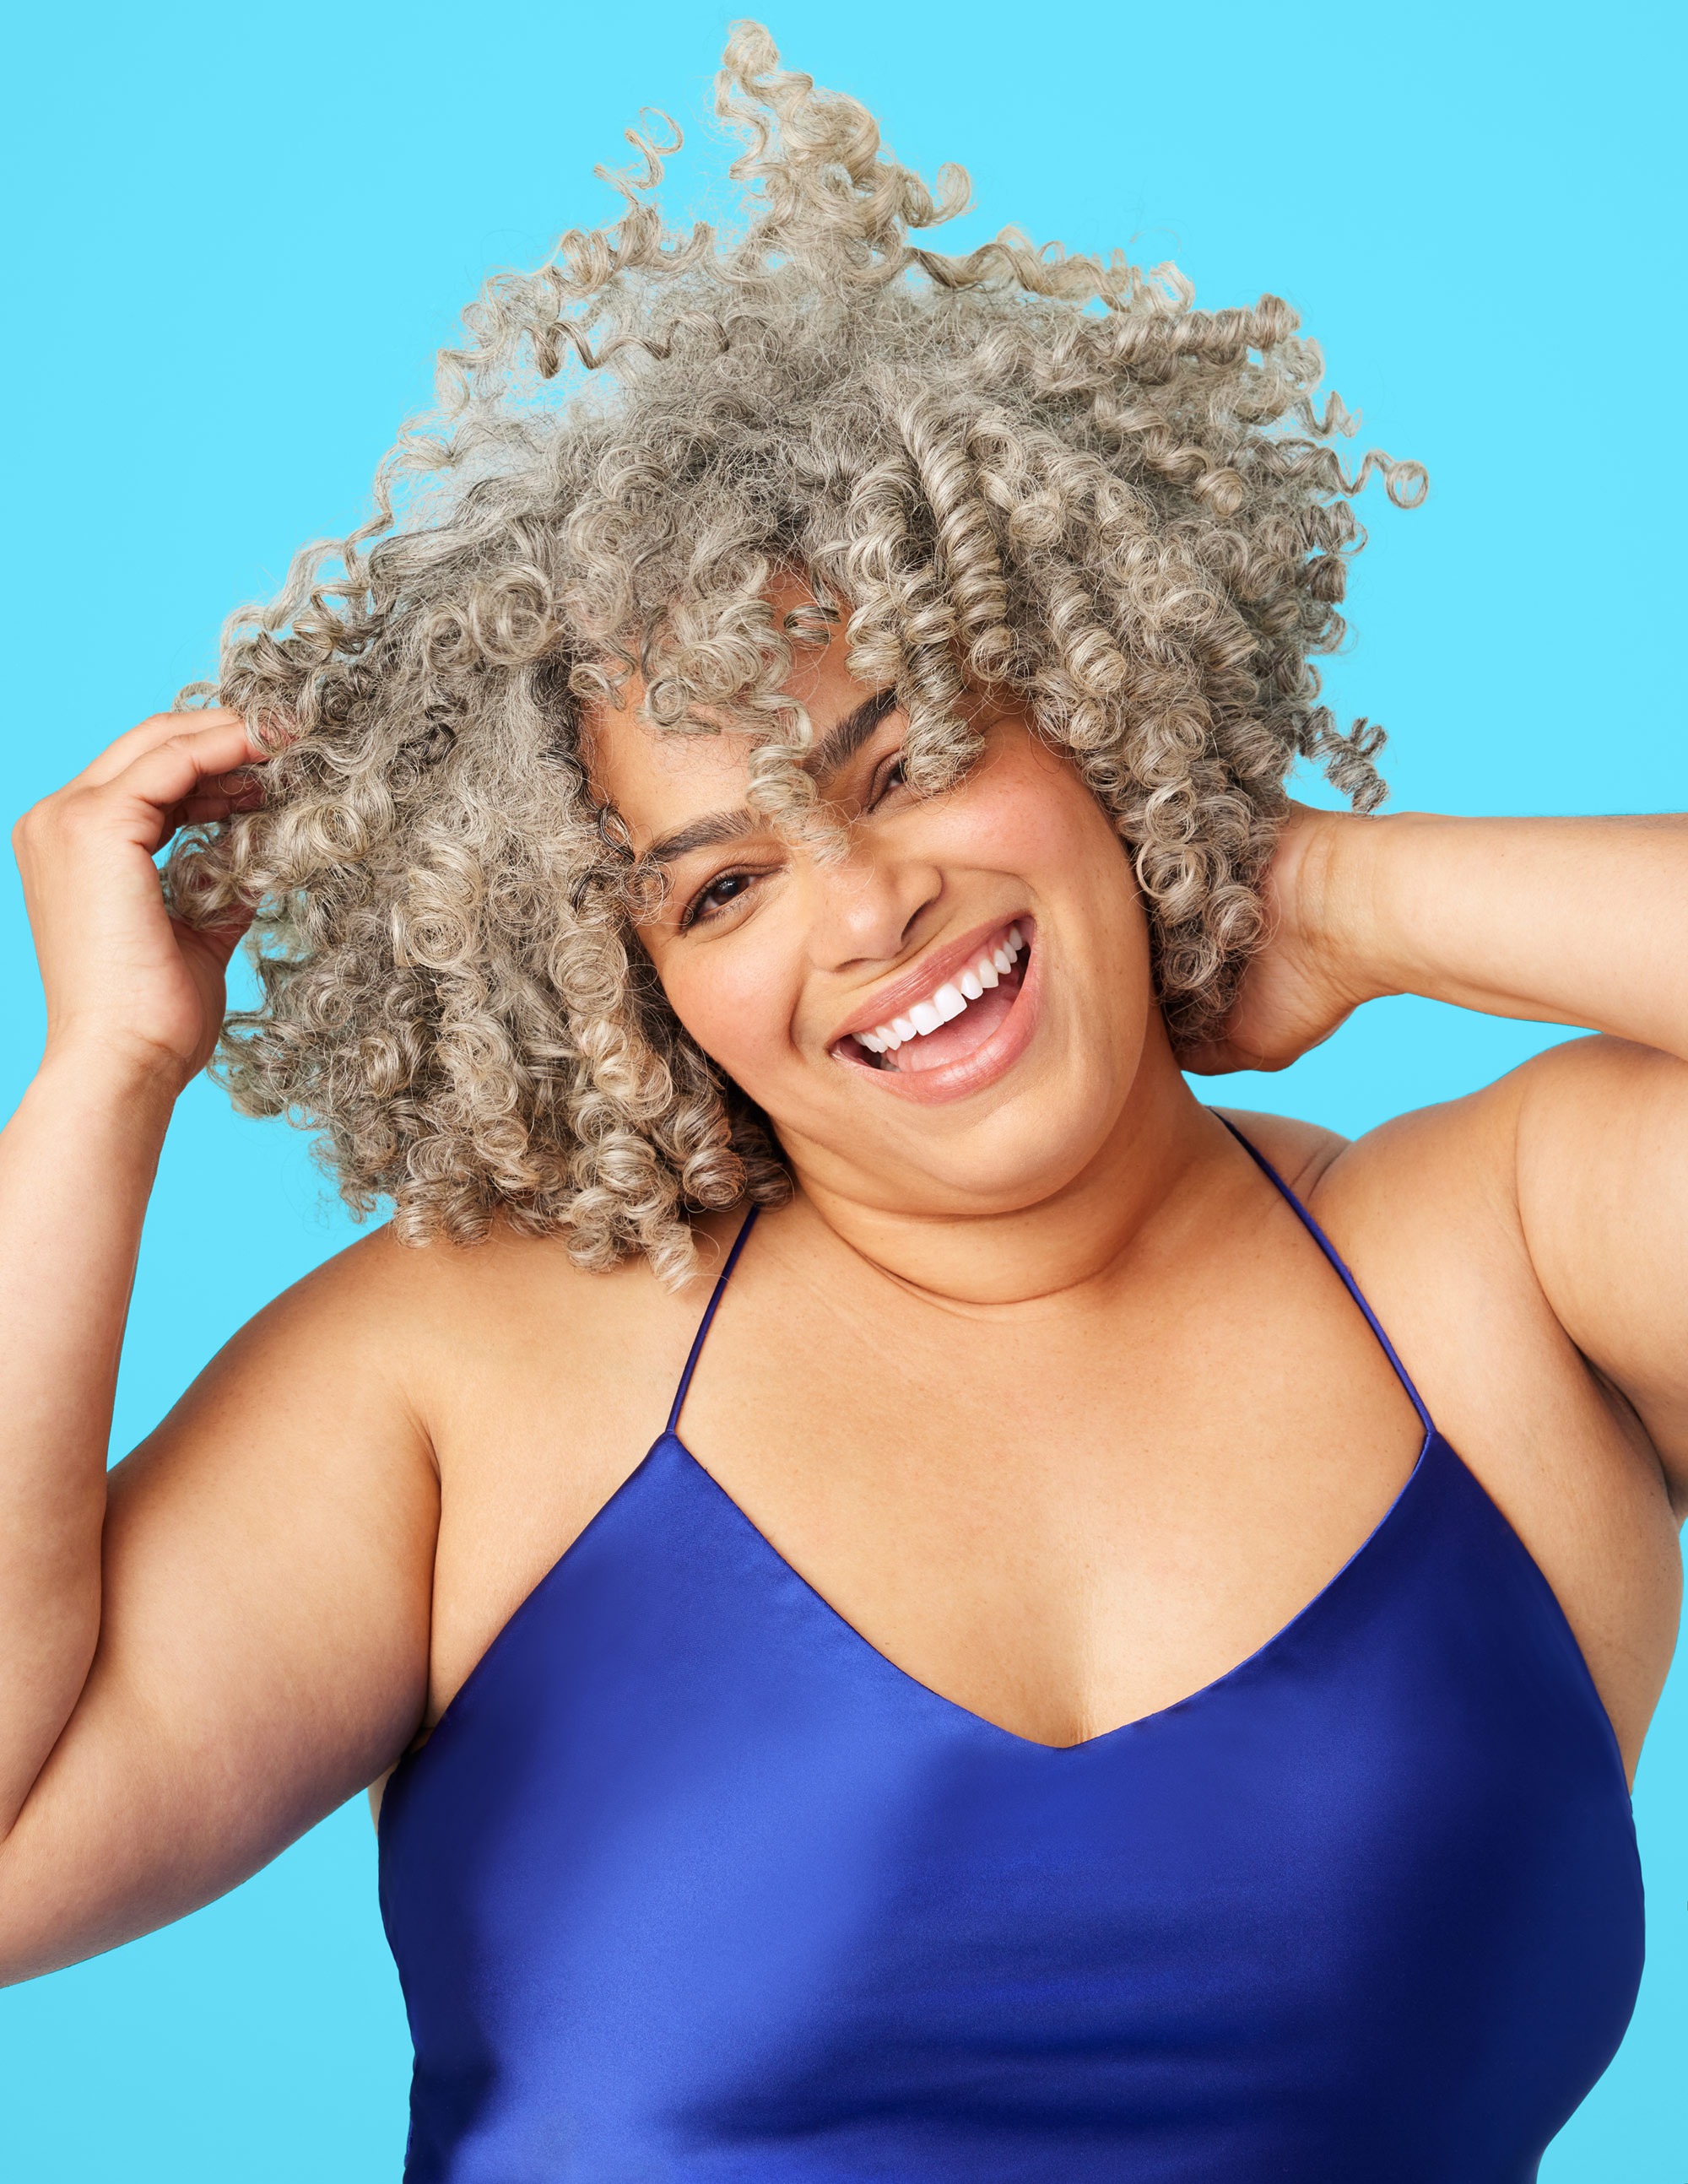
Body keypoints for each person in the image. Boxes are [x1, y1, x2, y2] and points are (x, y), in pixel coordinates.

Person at [1, 22, 1682, 2181]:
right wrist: (105, 1080)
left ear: (1100, 716)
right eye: (721, 885)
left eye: (917, 760)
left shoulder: (1505, 1274)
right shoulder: (478, 1378)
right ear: (628, 987)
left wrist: (1335, 891)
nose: (869, 907)